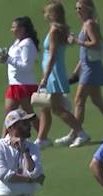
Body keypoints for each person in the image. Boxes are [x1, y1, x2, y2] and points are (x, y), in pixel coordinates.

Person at [35, 0, 89, 149]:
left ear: (52, 14)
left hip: (53, 74)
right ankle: (42, 138)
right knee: (45, 106)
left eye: (47, 12)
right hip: (53, 72)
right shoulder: (58, 29)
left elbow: (52, 56)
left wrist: (45, 77)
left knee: (57, 109)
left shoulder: (54, 31)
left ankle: (81, 133)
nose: (44, 15)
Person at [66, 0, 103, 132]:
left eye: (80, 8)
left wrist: (77, 41)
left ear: (88, 9)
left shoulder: (89, 24)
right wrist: (76, 72)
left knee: (79, 99)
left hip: (91, 69)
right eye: (76, 8)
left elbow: (95, 43)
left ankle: (77, 133)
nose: (77, 11)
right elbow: (84, 54)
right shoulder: (85, 24)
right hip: (87, 67)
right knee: (97, 101)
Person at [0, 16, 39, 138]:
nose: (12, 30)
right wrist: (5, 58)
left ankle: (42, 136)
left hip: (24, 85)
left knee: (29, 113)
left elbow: (27, 66)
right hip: (15, 84)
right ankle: (3, 140)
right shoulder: (16, 43)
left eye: (15, 27)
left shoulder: (27, 44)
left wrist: (9, 59)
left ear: (23, 29)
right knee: (9, 113)